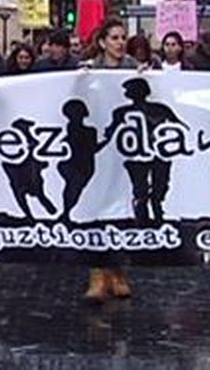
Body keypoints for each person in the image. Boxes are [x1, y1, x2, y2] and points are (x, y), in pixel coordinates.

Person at [80, 17, 138, 304]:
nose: (120, 42)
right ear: (102, 42)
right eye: (114, 37)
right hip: (97, 151)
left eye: (123, 37)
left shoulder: (134, 70)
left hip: (125, 153)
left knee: (121, 212)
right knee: (96, 210)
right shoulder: (90, 71)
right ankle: (97, 273)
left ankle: (117, 270)